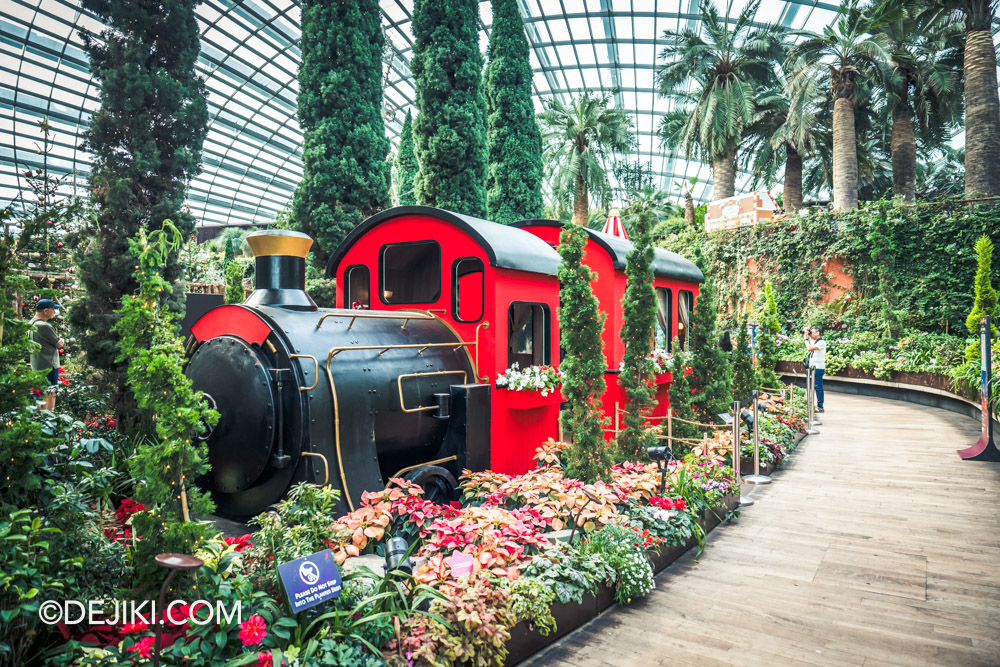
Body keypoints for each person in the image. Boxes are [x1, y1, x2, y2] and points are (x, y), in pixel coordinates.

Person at [30, 299, 64, 411]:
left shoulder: (30, 323)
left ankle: (39, 418)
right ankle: (49, 418)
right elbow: (58, 344)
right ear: (45, 311)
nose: (54, 311)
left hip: (36, 365)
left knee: (39, 394)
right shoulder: (44, 326)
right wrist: (62, 341)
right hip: (49, 365)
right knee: (51, 393)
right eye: (53, 309)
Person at [806, 326, 826, 413]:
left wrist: (805, 339)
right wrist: (806, 332)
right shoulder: (814, 341)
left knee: (818, 386)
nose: (811, 334)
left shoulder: (821, 342)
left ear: (818, 333)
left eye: (812, 332)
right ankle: (817, 405)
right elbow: (808, 338)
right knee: (815, 386)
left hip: (818, 368)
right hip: (813, 367)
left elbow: (809, 348)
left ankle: (820, 406)